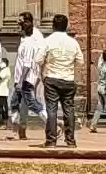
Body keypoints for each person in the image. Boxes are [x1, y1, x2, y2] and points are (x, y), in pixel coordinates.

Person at [35, 13, 84, 148]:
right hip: (68, 79)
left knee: (51, 109)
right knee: (69, 109)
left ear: (53, 26)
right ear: (67, 26)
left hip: (51, 78)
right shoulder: (73, 42)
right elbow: (80, 61)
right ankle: (70, 140)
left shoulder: (48, 41)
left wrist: (48, 64)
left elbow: (38, 60)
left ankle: (51, 140)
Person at [9, 11, 45, 140]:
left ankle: (53, 122)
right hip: (24, 76)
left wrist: (31, 77)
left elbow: (31, 61)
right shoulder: (25, 37)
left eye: (20, 21)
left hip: (28, 76)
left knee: (27, 103)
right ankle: (21, 130)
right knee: (22, 103)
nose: (17, 23)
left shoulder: (33, 37)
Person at [89, 48, 106, 133]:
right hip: (105, 89)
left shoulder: (100, 64)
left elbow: (101, 57)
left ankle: (93, 125)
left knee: (99, 107)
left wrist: (104, 53)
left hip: (99, 88)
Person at [0, 56, 11, 128]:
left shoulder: (6, 70)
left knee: (3, 108)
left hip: (2, 92)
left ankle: (5, 122)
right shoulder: (2, 70)